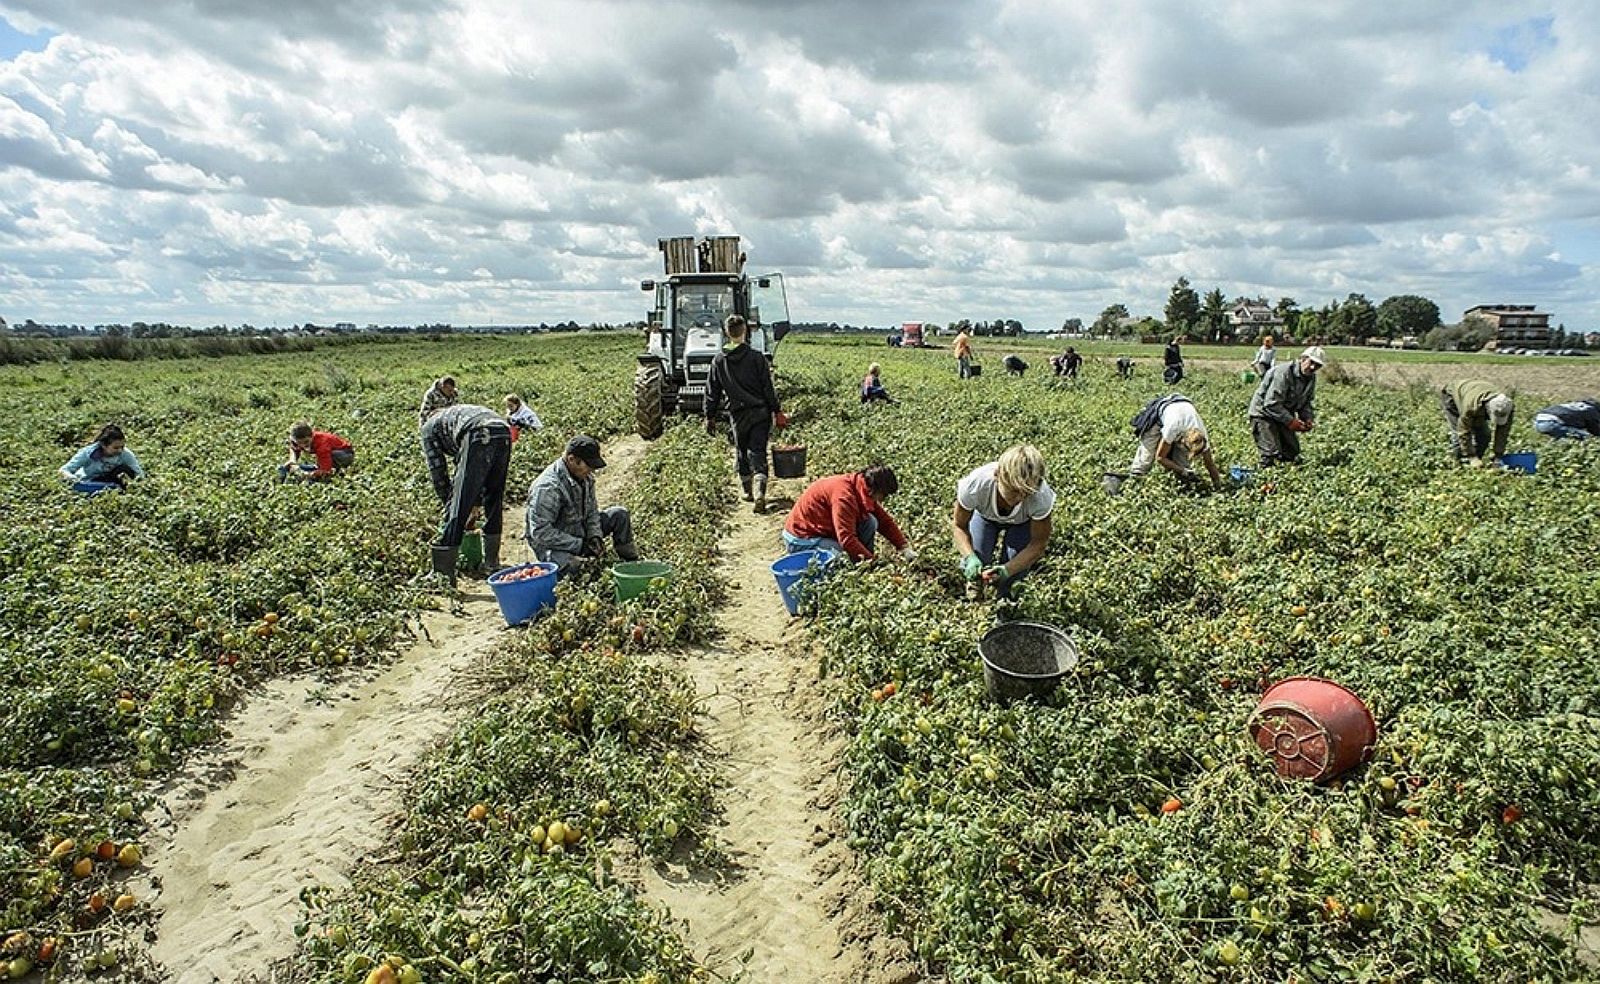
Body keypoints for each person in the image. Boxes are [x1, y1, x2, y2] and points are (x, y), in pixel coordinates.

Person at [951, 444, 1053, 601]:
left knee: (1015, 568)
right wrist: (969, 557)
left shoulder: (1040, 497)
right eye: (1013, 490)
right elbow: (959, 526)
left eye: (1025, 493)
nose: (1019, 498)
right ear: (998, 475)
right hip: (986, 517)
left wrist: (1008, 569)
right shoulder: (975, 485)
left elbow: (1038, 544)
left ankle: (1005, 604)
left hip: (1022, 524)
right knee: (979, 556)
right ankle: (974, 593)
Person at [421, 404, 511, 580]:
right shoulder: (453, 419)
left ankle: (443, 574)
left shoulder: (428, 428)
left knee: (459, 503)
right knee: (494, 496)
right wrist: (475, 502)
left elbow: (438, 471)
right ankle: (492, 563)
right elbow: (473, 469)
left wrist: (449, 505)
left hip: (478, 431)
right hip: (503, 430)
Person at [525, 435, 639, 573]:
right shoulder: (548, 488)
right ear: (571, 459)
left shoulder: (585, 478)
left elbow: (592, 512)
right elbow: (540, 533)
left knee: (619, 514)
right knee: (576, 567)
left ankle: (631, 563)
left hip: (579, 530)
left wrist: (594, 536)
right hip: (554, 545)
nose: (592, 471)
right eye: (588, 466)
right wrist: (580, 546)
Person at [706, 314, 783, 513]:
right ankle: (760, 491)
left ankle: (748, 491)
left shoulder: (719, 360)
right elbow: (768, 388)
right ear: (745, 331)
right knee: (757, 450)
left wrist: (710, 416)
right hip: (760, 412)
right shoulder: (757, 358)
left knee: (741, 451)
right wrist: (777, 410)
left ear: (726, 332)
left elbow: (712, 391)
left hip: (737, 414)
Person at [782, 465, 915, 563]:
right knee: (841, 557)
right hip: (802, 538)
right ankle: (860, 565)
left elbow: (884, 522)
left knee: (870, 522)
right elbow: (846, 539)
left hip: (823, 531)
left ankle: (860, 562)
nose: (882, 500)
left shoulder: (861, 487)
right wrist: (872, 562)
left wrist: (903, 547)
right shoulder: (844, 497)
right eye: (883, 495)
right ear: (874, 490)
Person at [1109, 394, 1222, 493]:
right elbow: (1160, 457)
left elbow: (1210, 464)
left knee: (1182, 464)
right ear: (1183, 441)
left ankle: (1180, 487)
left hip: (1183, 406)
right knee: (1146, 458)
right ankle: (1133, 483)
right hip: (1162, 411)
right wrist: (1182, 470)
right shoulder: (1173, 428)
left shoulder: (1202, 437)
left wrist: (1218, 487)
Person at [1247, 346, 1323, 467]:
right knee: (1270, 452)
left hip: (1282, 414)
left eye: (1317, 365)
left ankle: (1284, 480)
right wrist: (1291, 422)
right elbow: (1271, 403)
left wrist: (1307, 418)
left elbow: (1306, 402)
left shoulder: (1311, 378)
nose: (1313, 367)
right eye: (1311, 362)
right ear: (1303, 359)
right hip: (1263, 413)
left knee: (1292, 452)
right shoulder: (1284, 372)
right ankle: (1265, 479)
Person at [1439, 380, 1514, 465]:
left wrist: (1498, 455)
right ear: (1488, 409)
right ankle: (1458, 465)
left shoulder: (1507, 406)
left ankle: (1477, 462)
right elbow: (1463, 431)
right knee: (1458, 438)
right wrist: (1471, 456)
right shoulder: (1471, 407)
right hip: (1452, 396)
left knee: (1484, 435)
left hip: (1474, 393)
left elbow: (1503, 431)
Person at [60, 424, 145, 487]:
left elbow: (139, 474)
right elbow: (64, 470)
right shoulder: (88, 453)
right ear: (104, 445)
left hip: (113, 482)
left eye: (122, 447)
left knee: (123, 469)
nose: (120, 450)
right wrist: (73, 479)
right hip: (91, 482)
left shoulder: (125, 454)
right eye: (115, 448)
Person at [279, 422, 354, 482]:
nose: (303, 445)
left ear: (312, 436)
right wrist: (292, 460)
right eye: (299, 443)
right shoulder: (296, 442)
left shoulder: (322, 444)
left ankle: (335, 471)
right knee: (283, 468)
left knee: (326, 466)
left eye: (306, 442)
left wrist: (311, 474)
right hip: (328, 456)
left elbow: (325, 469)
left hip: (345, 454)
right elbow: (294, 448)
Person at [1533, 398, 1600, 440]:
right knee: (1589, 439)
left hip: (1537, 421)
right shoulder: (1592, 410)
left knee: (1563, 437)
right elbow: (1595, 431)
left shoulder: (1576, 405)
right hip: (1551, 423)